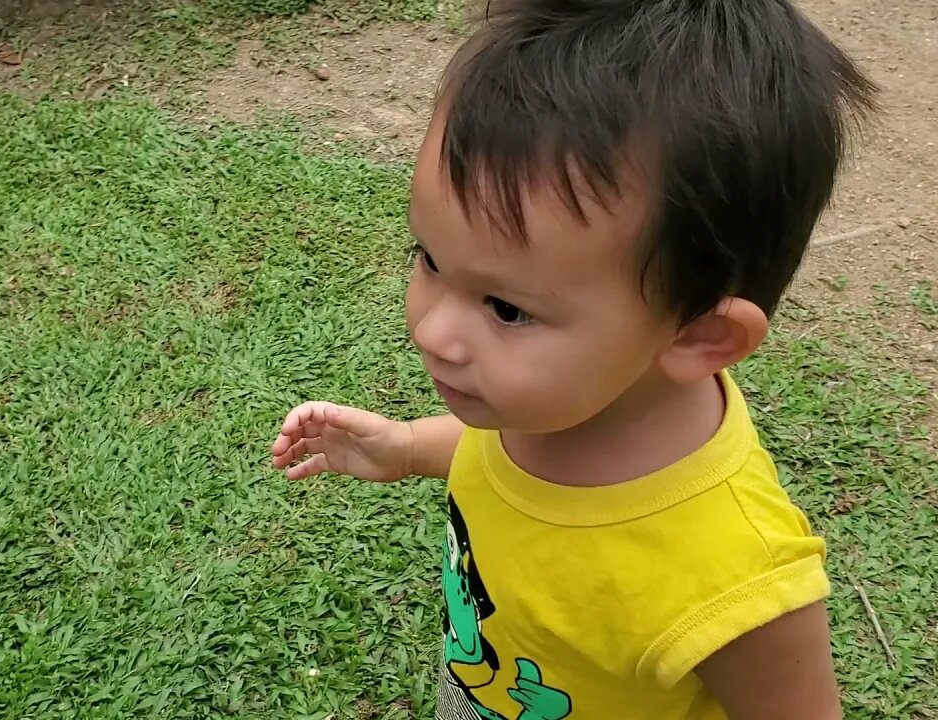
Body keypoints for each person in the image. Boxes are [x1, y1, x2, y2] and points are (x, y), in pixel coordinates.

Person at [270, 1, 876, 718]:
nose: (433, 331)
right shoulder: (557, 399)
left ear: (696, 338)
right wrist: (406, 447)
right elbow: (510, 462)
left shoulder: (734, 584)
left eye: (506, 308)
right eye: (428, 259)